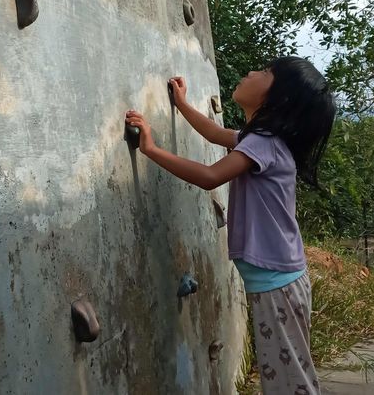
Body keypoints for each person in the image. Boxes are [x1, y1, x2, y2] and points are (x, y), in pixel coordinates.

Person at [125, 56, 335, 395]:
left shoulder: (263, 143)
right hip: (280, 277)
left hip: (276, 281)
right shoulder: (263, 140)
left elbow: (210, 177)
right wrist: (181, 103)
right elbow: (213, 133)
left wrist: (150, 149)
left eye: (265, 72)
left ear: (278, 97)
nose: (252, 71)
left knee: (287, 380)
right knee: (289, 373)